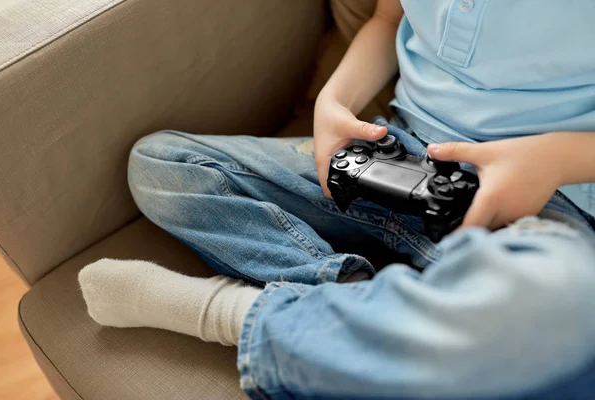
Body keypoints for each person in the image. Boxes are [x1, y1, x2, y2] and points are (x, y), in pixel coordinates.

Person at [78, 1, 595, 398]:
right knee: (161, 164)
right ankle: (361, 301)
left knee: (567, 303)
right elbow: (389, 18)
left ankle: (227, 314)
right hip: (390, 151)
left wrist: (553, 160)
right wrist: (335, 100)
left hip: (536, 199)